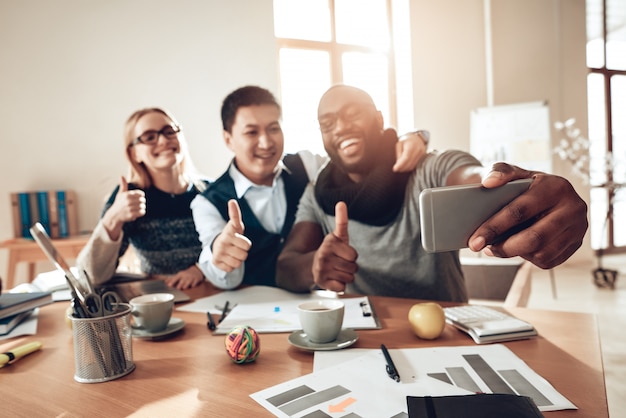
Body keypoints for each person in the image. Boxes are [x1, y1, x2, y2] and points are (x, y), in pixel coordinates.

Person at [275, 84, 588, 302]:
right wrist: (315, 265)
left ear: (379, 119)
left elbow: (475, 179)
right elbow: (285, 267)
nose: (340, 128)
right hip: (365, 337)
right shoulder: (318, 192)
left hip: (443, 332)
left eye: (352, 114)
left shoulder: (429, 169)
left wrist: (530, 195)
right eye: (327, 124)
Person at [191, 85, 429, 290]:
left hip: (315, 305)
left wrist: (415, 137)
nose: (266, 142)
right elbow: (221, 273)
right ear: (228, 139)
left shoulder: (307, 165)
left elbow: (354, 159)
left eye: (273, 128)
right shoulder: (206, 203)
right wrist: (218, 259)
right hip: (249, 313)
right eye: (251, 132)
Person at [77, 107, 210, 290]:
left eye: (169, 131)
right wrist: (113, 218)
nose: (163, 140)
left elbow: (241, 249)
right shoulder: (126, 198)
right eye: (149, 137)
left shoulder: (211, 191)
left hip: (212, 289)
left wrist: (202, 269)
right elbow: (90, 277)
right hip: (159, 297)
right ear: (134, 153)